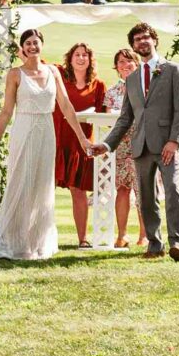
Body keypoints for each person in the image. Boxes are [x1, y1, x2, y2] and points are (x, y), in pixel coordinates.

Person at [0, 27, 100, 260]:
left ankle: (37, 243)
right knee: (22, 184)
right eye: (28, 43)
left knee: (42, 187)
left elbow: (65, 106)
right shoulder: (15, 74)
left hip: (46, 133)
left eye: (36, 42)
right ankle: (14, 242)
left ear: (42, 45)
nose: (32, 46)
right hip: (24, 130)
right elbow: (5, 112)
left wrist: (82, 139)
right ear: (22, 48)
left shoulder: (53, 71)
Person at [106, 21, 179, 262]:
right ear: (133, 45)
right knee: (145, 196)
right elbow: (125, 118)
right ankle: (155, 244)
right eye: (136, 40)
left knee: (173, 190)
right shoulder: (132, 79)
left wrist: (174, 141)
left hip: (167, 145)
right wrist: (106, 144)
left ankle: (178, 243)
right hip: (140, 145)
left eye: (145, 37)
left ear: (154, 40)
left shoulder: (173, 70)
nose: (142, 42)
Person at [54, 41, 110, 248]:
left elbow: (104, 118)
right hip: (58, 142)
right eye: (77, 54)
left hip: (82, 145)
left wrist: (103, 148)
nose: (80, 58)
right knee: (41, 190)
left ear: (90, 60)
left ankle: (83, 239)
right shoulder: (59, 77)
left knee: (79, 192)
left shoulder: (99, 85)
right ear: (70, 58)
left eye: (85, 55)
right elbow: (33, 59)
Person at [107, 46, 141, 248]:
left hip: (141, 144)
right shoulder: (111, 92)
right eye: (120, 61)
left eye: (129, 60)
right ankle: (122, 235)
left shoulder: (145, 88)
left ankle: (144, 235)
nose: (125, 64)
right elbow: (111, 120)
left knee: (143, 191)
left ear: (136, 63)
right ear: (116, 67)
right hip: (120, 148)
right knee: (122, 190)